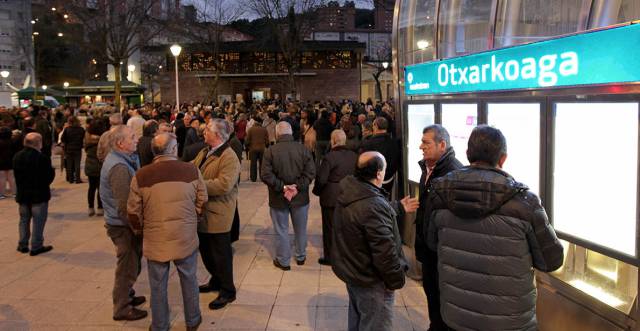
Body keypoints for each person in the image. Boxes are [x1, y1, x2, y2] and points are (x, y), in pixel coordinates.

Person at [426, 125, 564, 331]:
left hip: (456, 316)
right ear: (502, 159)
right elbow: (551, 260)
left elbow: (432, 243)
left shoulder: (439, 193)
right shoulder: (525, 202)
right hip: (510, 321)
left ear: (467, 154)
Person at [127, 133, 207, 331]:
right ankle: (193, 320)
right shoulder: (191, 170)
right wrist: (194, 218)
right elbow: (202, 200)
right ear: (173, 149)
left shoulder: (141, 175)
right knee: (189, 279)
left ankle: (160, 325)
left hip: (156, 238)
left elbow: (133, 211)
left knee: (157, 285)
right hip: (185, 236)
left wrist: (140, 231)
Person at [331, 151, 407, 331]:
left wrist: (395, 207)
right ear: (379, 173)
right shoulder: (372, 205)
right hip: (372, 281)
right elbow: (385, 253)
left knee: (358, 322)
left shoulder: (350, 191)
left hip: (354, 273)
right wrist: (396, 280)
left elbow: (363, 221)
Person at [410, 124, 463, 331]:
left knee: (443, 299)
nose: (421, 146)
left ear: (442, 145)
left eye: (426, 142)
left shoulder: (454, 174)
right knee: (431, 293)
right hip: (429, 249)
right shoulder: (428, 168)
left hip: (443, 251)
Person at [99, 125, 147, 321]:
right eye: (133, 137)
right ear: (120, 143)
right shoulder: (118, 167)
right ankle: (122, 308)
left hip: (122, 224)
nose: (137, 140)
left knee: (132, 264)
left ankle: (127, 295)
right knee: (127, 267)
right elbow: (125, 205)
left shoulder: (124, 159)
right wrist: (138, 228)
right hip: (122, 226)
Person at [192, 118, 241, 310]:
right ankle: (215, 280)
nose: (204, 133)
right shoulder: (205, 151)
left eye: (207, 131)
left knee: (221, 255)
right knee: (206, 252)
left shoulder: (229, 156)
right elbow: (191, 167)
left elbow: (224, 185)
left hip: (218, 214)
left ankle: (228, 290)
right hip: (203, 213)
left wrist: (197, 185)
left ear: (218, 135)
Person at [261, 121, 315, 270]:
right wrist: (297, 186)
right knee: (300, 228)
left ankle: (284, 261)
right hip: (300, 197)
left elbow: (265, 175)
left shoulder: (270, 151)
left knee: (281, 229)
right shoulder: (303, 149)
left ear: (277, 134)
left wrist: (283, 187)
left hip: (278, 198)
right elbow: (311, 172)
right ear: (291, 133)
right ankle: (300, 256)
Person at [312, 129, 357, 266]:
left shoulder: (329, 157)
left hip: (331, 197)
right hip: (349, 195)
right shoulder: (354, 156)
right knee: (346, 227)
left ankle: (330, 258)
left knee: (329, 228)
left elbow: (322, 179)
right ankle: (347, 256)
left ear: (333, 141)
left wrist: (317, 191)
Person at [13, 133, 55, 256]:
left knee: (24, 220)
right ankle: (36, 246)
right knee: (38, 220)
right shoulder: (42, 158)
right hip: (39, 195)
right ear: (38, 143)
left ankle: (23, 244)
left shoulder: (17, 156)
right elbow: (48, 177)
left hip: (23, 194)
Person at [359, 117, 400, 194]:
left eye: (373, 125)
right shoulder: (394, 142)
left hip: (374, 182)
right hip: (389, 180)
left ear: (376, 126)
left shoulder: (368, 143)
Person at [85, 118, 107, 216]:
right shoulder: (103, 141)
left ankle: (90, 207)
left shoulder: (88, 140)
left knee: (91, 187)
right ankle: (100, 207)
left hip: (90, 165)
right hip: (100, 166)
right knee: (100, 188)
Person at [61, 116, 86, 183]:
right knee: (77, 164)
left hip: (68, 148)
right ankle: (78, 179)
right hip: (77, 148)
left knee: (69, 164)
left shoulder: (67, 129)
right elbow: (84, 137)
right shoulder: (81, 129)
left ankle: (70, 179)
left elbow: (63, 139)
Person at [244, 116, 269, 182]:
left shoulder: (251, 129)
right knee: (262, 164)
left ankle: (253, 178)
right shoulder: (264, 129)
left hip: (253, 149)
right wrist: (266, 145)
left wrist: (247, 146)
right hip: (262, 149)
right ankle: (262, 177)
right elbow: (267, 140)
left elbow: (247, 140)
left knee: (253, 164)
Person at [0, 126, 17, 199]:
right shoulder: (13, 141)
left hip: (0, 162)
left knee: (1, 178)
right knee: (12, 178)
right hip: (11, 161)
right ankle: (14, 193)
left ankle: (1, 194)